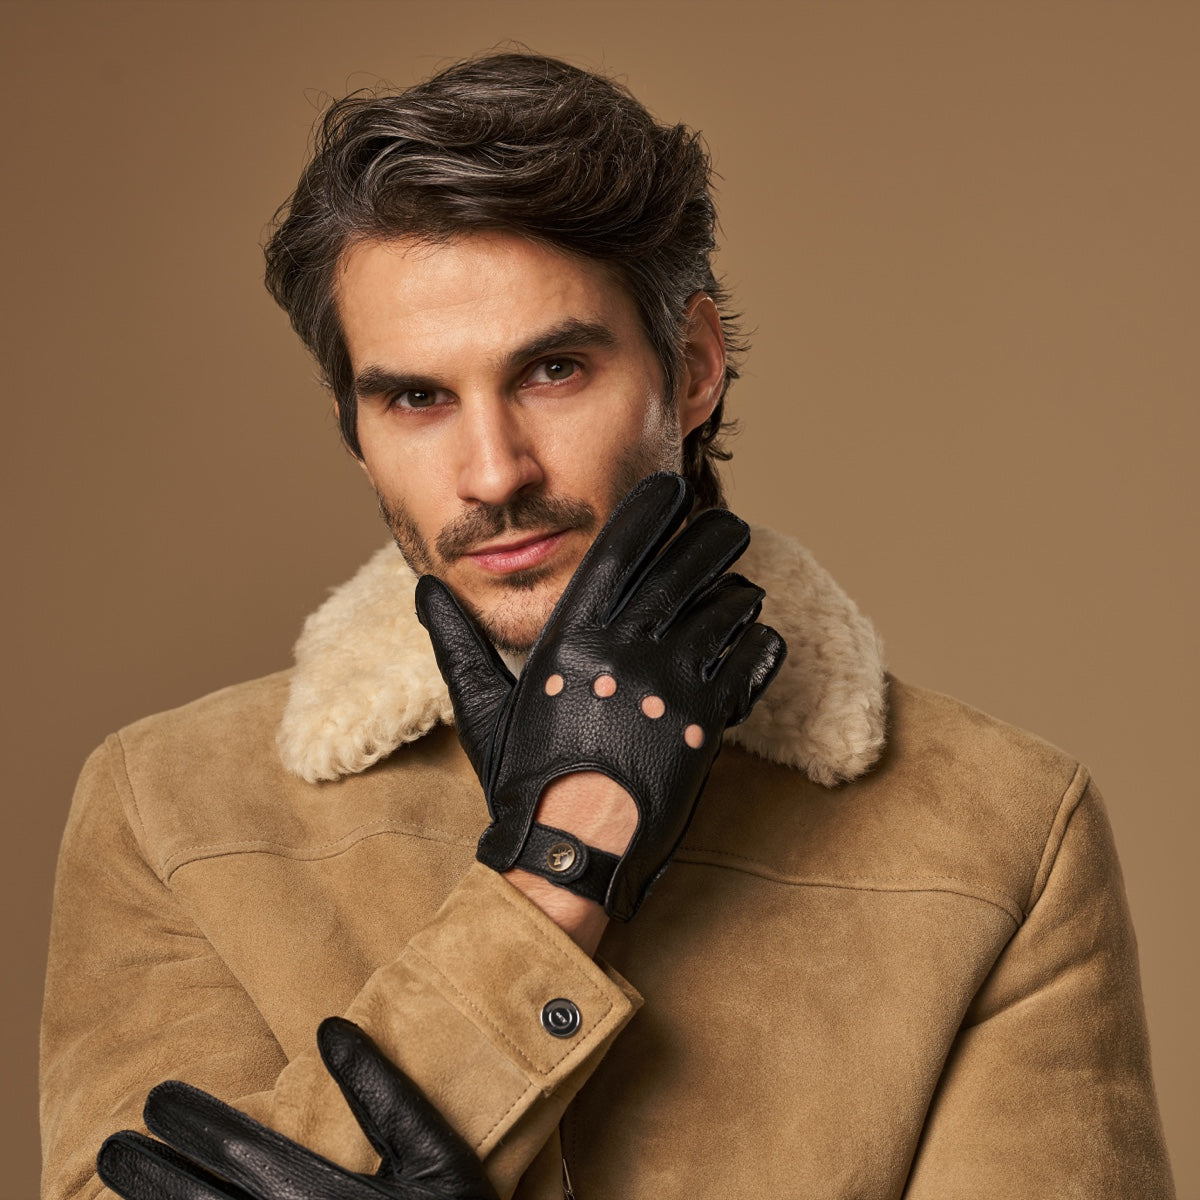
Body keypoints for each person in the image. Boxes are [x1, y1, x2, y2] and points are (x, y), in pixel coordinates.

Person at [41, 51, 1174, 1199]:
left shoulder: (1006, 830)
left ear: (692, 368)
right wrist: (552, 878)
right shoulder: (168, 805)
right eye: (417, 398)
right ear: (356, 430)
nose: (494, 473)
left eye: (552, 370)